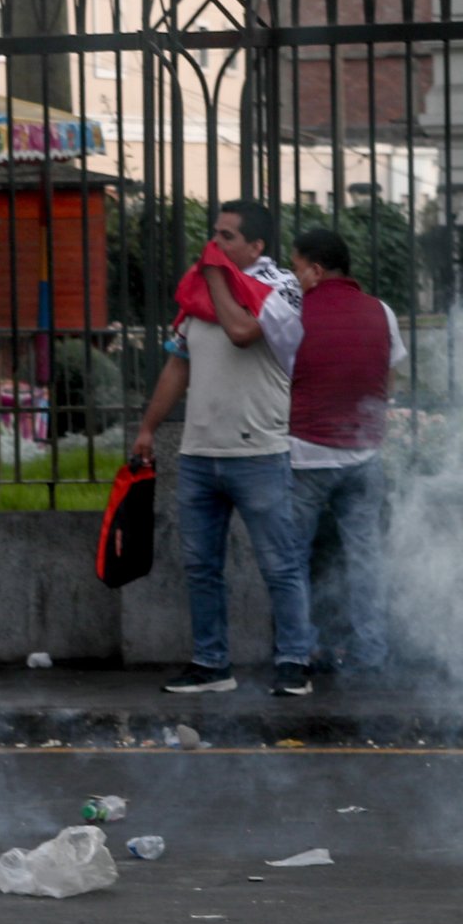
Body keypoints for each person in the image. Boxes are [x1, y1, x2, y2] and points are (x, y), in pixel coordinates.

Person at [129, 200, 315, 697]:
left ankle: (294, 662)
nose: (215, 244)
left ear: (256, 246)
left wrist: (214, 273)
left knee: (280, 564)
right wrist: (148, 429)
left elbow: (240, 332)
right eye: (215, 234)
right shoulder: (200, 290)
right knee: (201, 566)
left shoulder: (282, 288)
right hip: (199, 453)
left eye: (228, 237)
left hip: (258, 452)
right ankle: (212, 664)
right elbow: (178, 365)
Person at [283, 227, 409, 678]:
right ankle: (370, 653)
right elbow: (389, 383)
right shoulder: (382, 312)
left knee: (292, 559)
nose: (293, 278)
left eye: (296, 268)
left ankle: (301, 652)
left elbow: (281, 381)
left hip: (304, 456)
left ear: (315, 270)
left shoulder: (293, 314)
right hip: (364, 456)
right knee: (365, 559)